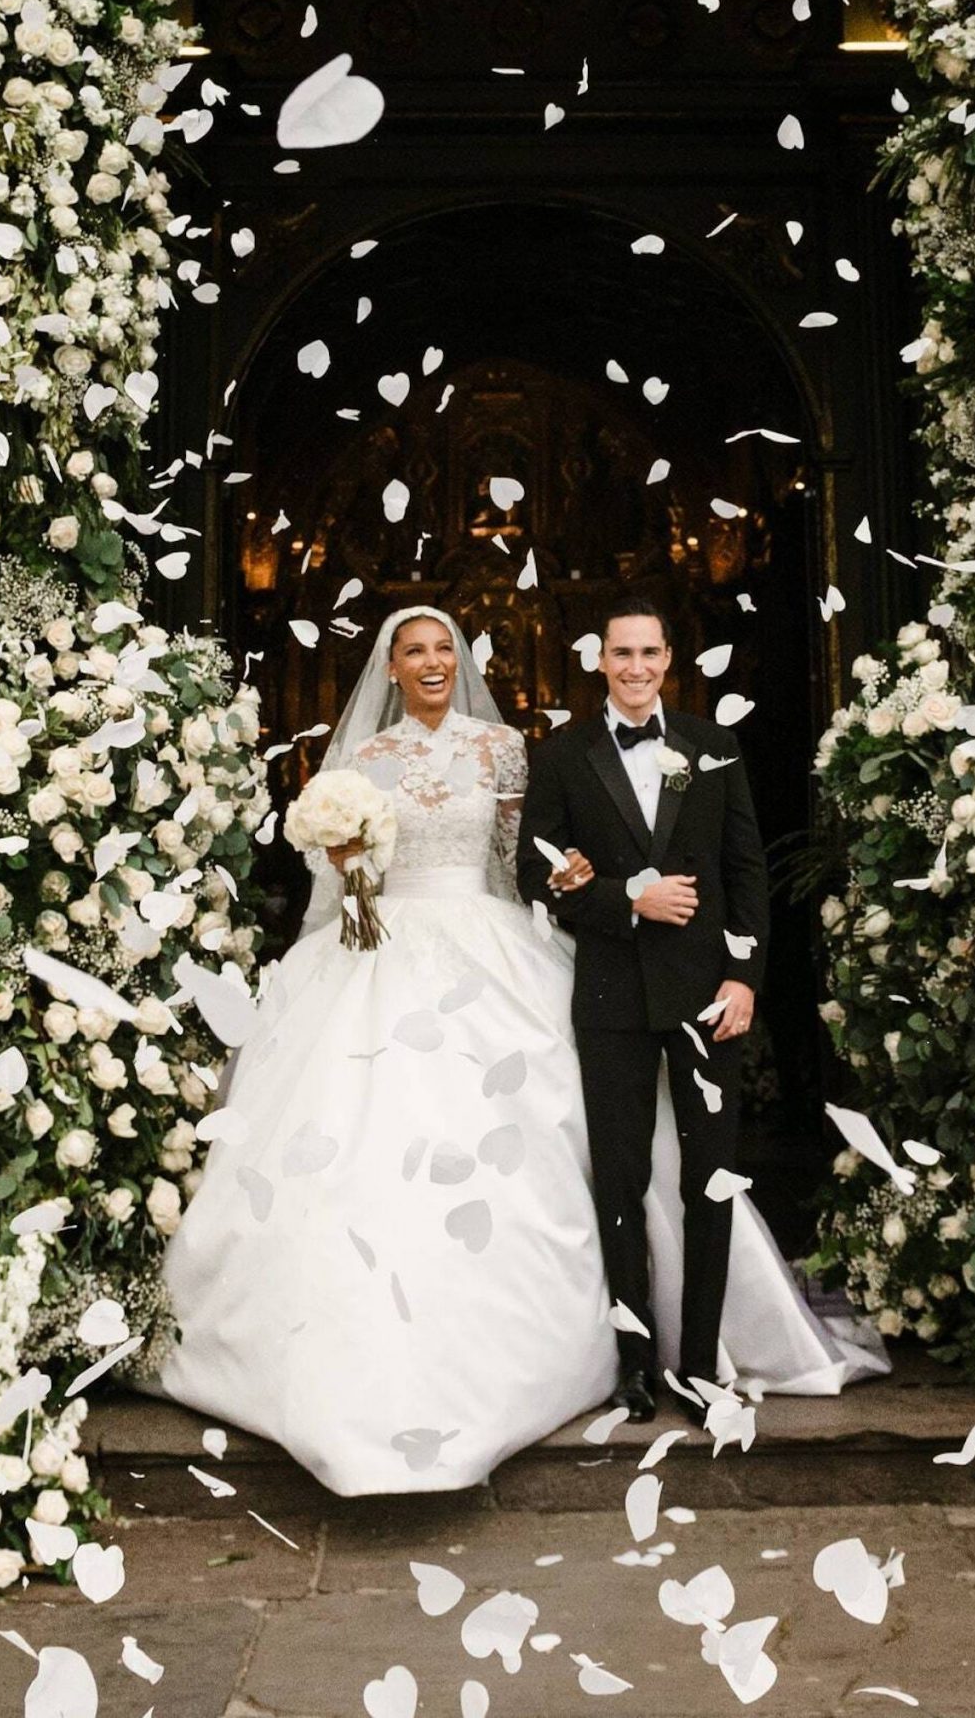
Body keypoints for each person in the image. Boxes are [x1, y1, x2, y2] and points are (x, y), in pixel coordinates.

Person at [154, 605, 883, 1496]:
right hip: (372, 957)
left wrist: (594, 901)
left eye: (440, 651)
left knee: (608, 1153)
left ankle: (667, 1350)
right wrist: (346, 862)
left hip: (487, 945)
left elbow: (525, 864)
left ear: (457, 661)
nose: (428, 663)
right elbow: (348, 879)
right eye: (411, 652)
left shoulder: (505, 748)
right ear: (388, 668)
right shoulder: (363, 763)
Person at [516, 595, 763, 1421]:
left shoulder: (712, 745)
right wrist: (628, 900)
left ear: (668, 659)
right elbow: (535, 874)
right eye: (619, 654)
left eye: (648, 653)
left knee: (710, 1180)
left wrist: (744, 979)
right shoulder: (560, 754)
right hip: (612, 997)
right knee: (619, 1179)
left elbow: (745, 870)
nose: (634, 668)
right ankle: (633, 1364)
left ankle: (698, 1365)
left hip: (706, 993)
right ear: (599, 662)